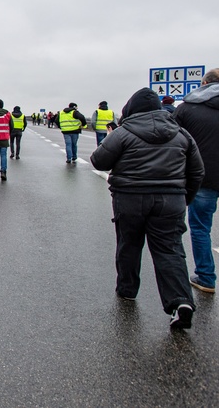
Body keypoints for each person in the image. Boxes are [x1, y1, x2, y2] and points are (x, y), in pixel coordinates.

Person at [90, 88, 204, 329]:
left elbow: (99, 161)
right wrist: (184, 199)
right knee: (170, 250)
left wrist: (111, 137)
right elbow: (197, 172)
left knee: (129, 244)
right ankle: (180, 301)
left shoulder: (123, 133)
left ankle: (127, 290)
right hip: (170, 201)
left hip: (130, 199)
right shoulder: (181, 134)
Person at [173, 68, 219, 294]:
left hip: (203, 176)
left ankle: (206, 277)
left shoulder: (187, 109)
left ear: (204, 83)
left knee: (201, 228)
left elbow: (170, 139)